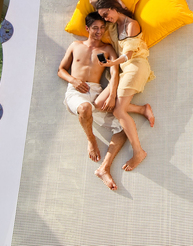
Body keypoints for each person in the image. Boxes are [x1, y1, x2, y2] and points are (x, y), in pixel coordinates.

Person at [57, 12, 152, 190]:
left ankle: (104, 168)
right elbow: (61, 70)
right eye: (95, 28)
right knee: (85, 108)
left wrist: (110, 94)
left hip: (95, 91)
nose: (99, 31)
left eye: (102, 28)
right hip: (76, 92)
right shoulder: (76, 45)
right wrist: (73, 80)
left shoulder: (106, 50)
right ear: (87, 28)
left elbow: (115, 73)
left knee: (124, 129)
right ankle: (91, 140)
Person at [92, 0, 156, 171]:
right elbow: (92, 0)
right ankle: (141, 109)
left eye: (106, 14)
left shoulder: (131, 24)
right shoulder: (114, 23)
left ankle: (138, 152)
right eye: (103, 16)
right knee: (99, 103)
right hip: (122, 70)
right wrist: (116, 2)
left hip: (135, 66)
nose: (105, 19)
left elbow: (128, 54)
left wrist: (112, 64)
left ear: (113, 8)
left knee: (119, 110)